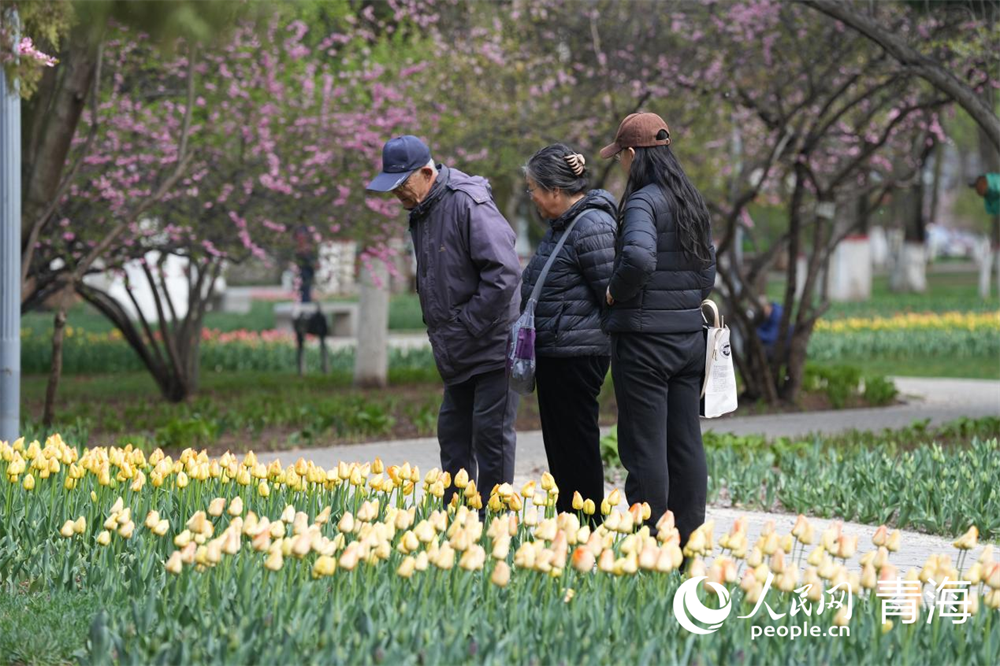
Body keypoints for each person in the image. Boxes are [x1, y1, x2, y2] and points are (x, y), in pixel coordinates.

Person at [366, 135, 521, 505]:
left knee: (491, 439)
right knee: (453, 436)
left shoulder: (468, 203)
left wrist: (465, 326)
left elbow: (504, 274)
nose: (398, 195)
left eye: (402, 185)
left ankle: (493, 524)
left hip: (491, 343)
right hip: (458, 347)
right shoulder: (423, 208)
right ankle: (456, 520)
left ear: (425, 172)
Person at [599, 112, 716, 547]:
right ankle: (687, 540)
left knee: (644, 446)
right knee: (685, 444)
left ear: (632, 154)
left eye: (622, 156)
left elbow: (640, 259)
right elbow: (708, 273)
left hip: (644, 344)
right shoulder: (691, 199)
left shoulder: (644, 201)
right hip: (688, 342)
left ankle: (649, 542)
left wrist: (614, 291)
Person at [520, 144, 616, 517]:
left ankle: (587, 525)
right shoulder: (564, 225)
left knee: (576, 447)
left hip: (578, 356)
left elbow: (611, 293)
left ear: (555, 191)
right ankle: (570, 522)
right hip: (559, 353)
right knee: (561, 448)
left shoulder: (591, 225)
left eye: (534, 189)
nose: (533, 198)